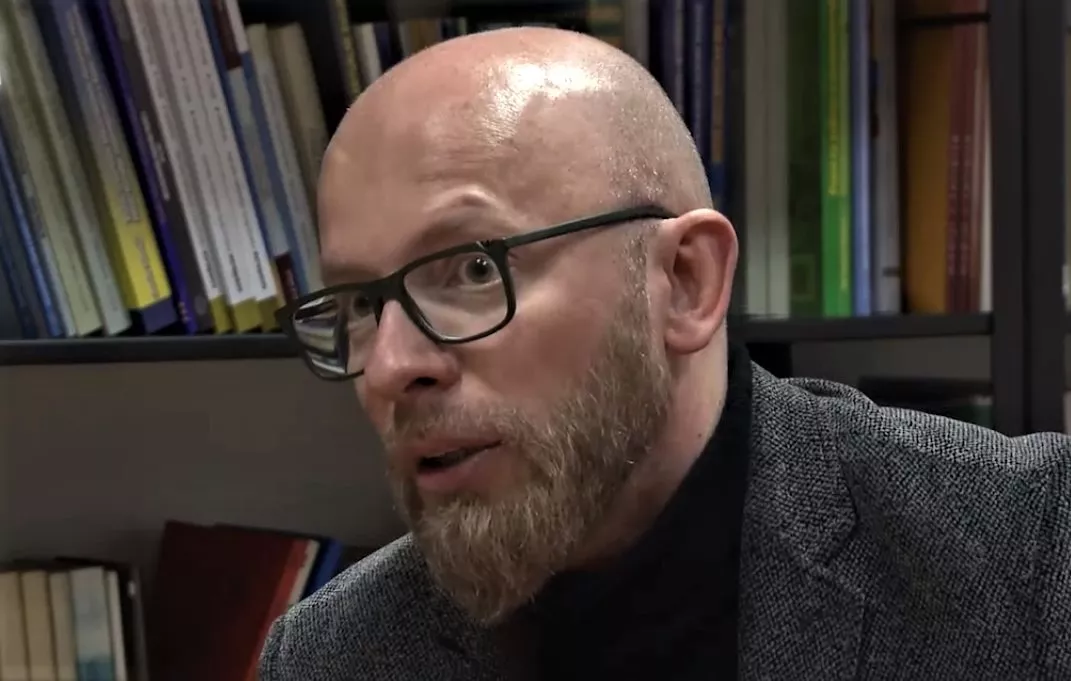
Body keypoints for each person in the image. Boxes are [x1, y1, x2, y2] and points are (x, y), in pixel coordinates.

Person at [257, 25, 1071, 681]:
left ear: (685, 281)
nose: (390, 365)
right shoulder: (330, 655)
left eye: (472, 269)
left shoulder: (1033, 554)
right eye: (360, 305)